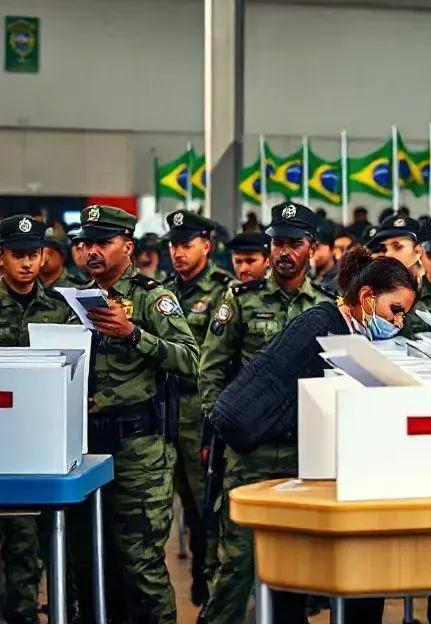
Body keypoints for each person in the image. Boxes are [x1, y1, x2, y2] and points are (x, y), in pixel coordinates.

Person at [208, 246, 418, 624]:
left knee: (288, 577)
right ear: (367, 297)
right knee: (243, 573)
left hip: (287, 459)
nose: (398, 322)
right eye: (395, 310)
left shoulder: (340, 328)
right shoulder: (324, 328)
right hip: (260, 460)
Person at [199, 202, 336, 624]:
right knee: (237, 562)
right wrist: (225, 426)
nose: (284, 252)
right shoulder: (240, 299)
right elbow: (211, 370)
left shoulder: (328, 306)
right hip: (250, 453)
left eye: (294, 243)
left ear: (311, 248)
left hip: (305, 454)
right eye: (277, 243)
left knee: (295, 565)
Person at [71, 205, 199, 623]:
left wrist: (134, 335)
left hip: (139, 451)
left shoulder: (152, 297)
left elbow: (191, 360)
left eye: (103, 243)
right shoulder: (74, 300)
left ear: (127, 247)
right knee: (90, 562)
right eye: (87, 243)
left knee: (139, 564)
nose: (93, 252)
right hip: (86, 446)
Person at [0, 215, 74, 624]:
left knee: (29, 544)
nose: (28, 264)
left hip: (39, 445)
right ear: (2, 257)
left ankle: (25, 614)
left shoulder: (60, 309)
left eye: (34, 255)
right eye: (18, 256)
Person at [161, 209, 234, 606]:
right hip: (167, 413)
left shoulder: (224, 292)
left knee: (209, 504)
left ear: (206, 245)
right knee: (180, 506)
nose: (178, 253)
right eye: (173, 246)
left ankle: (213, 585)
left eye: (186, 245)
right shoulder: (162, 292)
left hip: (201, 414)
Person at [310, 222, 338, 290]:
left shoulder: (340, 279)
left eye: (317, 247)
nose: (311, 253)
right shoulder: (305, 274)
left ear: (332, 248)